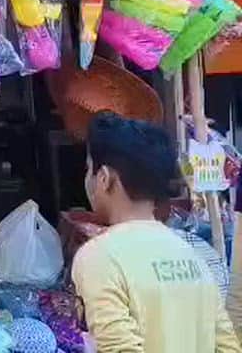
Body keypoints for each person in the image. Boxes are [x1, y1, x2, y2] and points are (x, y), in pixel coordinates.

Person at [72, 112, 240, 353]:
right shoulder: (193, 255)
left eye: (89, 169)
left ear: (105, 178)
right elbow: (228, 347)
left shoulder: (98, 256)